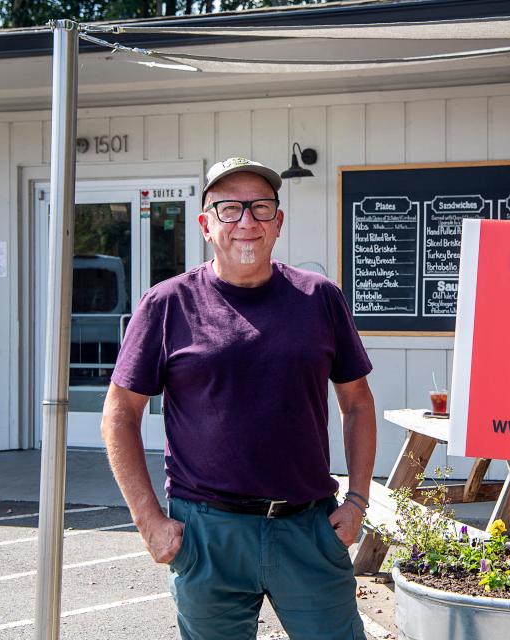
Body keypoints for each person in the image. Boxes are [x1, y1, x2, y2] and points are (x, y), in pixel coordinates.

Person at [101, 156, 376, 640]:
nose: (246, 222)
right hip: (208, 535)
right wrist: (148, 521)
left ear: (279, 222)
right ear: (206, 225)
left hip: (308, 527)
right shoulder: (167, 304)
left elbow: (356, 403)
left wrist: (356, 500)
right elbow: (120, 415)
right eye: (229, 209)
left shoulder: (320, 298)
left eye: (260, 208)